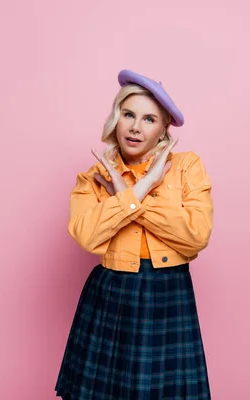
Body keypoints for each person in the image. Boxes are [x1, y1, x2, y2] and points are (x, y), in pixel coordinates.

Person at [55, 69, 214, 399]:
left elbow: (196, 236)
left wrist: (125, 194)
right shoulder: (94, 177)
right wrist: (140, 189)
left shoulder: (187, 166)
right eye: (128, 114)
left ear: (163, 130)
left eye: (149, 119)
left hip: (169, 291)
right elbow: (86, 236)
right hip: (112, 292)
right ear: (116, 117)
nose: (135, 127)